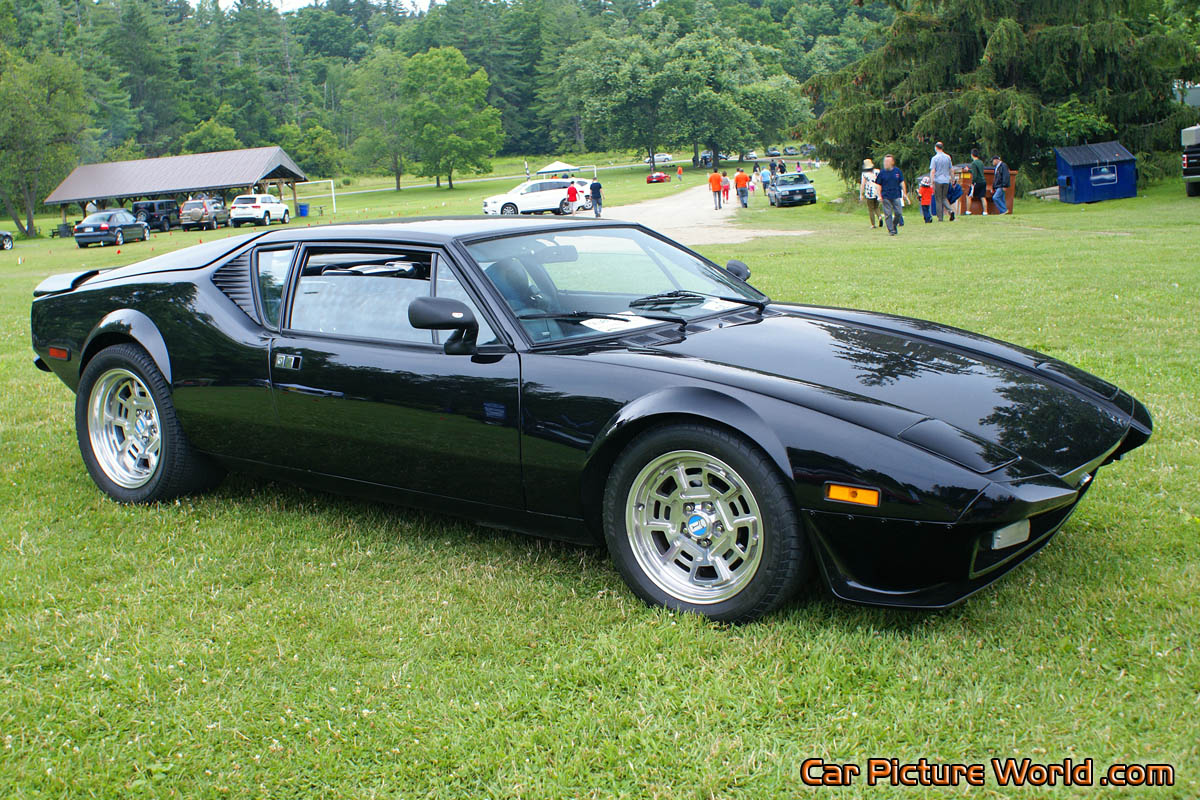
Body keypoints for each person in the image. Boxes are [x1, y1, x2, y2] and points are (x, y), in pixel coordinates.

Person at [873, 154, 908, 236]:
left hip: (896, 195)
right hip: (886, 196)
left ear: (892, 162)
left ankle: (894, 225)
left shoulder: (897, 171)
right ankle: (891, 230)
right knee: (888, 214)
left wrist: (905, 193)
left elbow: (902, 182)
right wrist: (879, 195)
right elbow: (878, 185)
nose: (886, 163)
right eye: (885, 161)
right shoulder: (882, 173)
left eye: (888, 161)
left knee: (898, 213)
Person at [928, 141, 954, 221]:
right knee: (944, 197)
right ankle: (950, 210)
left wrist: (931, 182)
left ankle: (940, 217)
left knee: (938, 199)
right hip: (946, 180)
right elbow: (951, 169)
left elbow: (933, 171)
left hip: (938, 180)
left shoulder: (934, 158)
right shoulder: (948, 157)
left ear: (936, 148)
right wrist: (952, 179)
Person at [859, 158, 881, 229]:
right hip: (877, 191)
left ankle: (873, 224)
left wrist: (861, 194)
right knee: (876, 207)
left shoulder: (864, 174)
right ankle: (879, 217)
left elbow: (863, 184)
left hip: (869, 192)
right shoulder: (877, 171)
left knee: (871, 208)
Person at [967, 148, 988, 215]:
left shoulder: (973, 163)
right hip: (983, 181)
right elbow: (979, 172)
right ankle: (985, 212)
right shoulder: (981, 162)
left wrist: (973, 183)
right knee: (982, 197)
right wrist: (969, 170)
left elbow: (975, 175)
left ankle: (968, 211)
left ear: (972, 155)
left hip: (977, 182)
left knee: (969, 196)